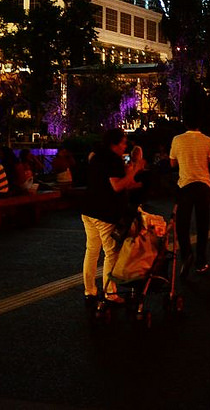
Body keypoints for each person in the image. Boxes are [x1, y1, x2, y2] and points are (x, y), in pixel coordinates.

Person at [81, 128, 144, 305]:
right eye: (123, 142)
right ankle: (110, 293)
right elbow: (117, 186)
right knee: (111, 253)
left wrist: (132, 174)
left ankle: (90, 291)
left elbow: (115, 183)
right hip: (104, 213)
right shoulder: (113, 159)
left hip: (88, 210)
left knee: (92, 251)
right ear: (114, 144)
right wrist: (136, 169)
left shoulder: (96, 156)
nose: (125, 146)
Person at [169, 110, 210, 276]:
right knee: (202, 224)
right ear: (200, 124)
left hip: (185, 186)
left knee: (182, 224)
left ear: (185, 123)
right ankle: (201, 261)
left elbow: (172, 163)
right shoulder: (208, 141)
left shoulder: (177, 140)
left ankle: (186, 254)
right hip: (203, 186)